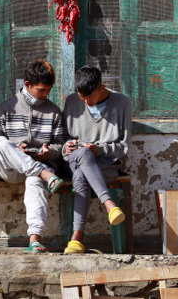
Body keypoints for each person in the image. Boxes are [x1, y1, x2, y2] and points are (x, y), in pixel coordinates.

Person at [0, 60, 65, 254]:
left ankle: (34, 239)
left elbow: (60, 144)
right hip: (13, 169)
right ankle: (43, 174)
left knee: (35, 180)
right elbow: (1, 144)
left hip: (41, 165)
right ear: (27, 84)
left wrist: (49, 152)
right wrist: (17, 148)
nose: (46, 94)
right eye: (41, 90)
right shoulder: (6, 108)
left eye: (49, 90)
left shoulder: (54, 112)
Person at [62, 66, 131, 254]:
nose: (86, 101)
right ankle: (110, 205)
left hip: (106, 163)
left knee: (81, 177)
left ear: (101, 87)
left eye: (90, 97)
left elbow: (123, 147)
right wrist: (67, 146)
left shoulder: (121, 102)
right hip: (75, 158)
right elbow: (63, 138)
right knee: (83, 155)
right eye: (81, 97)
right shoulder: (71, 101)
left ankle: (76, 238)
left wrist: (99, 149)